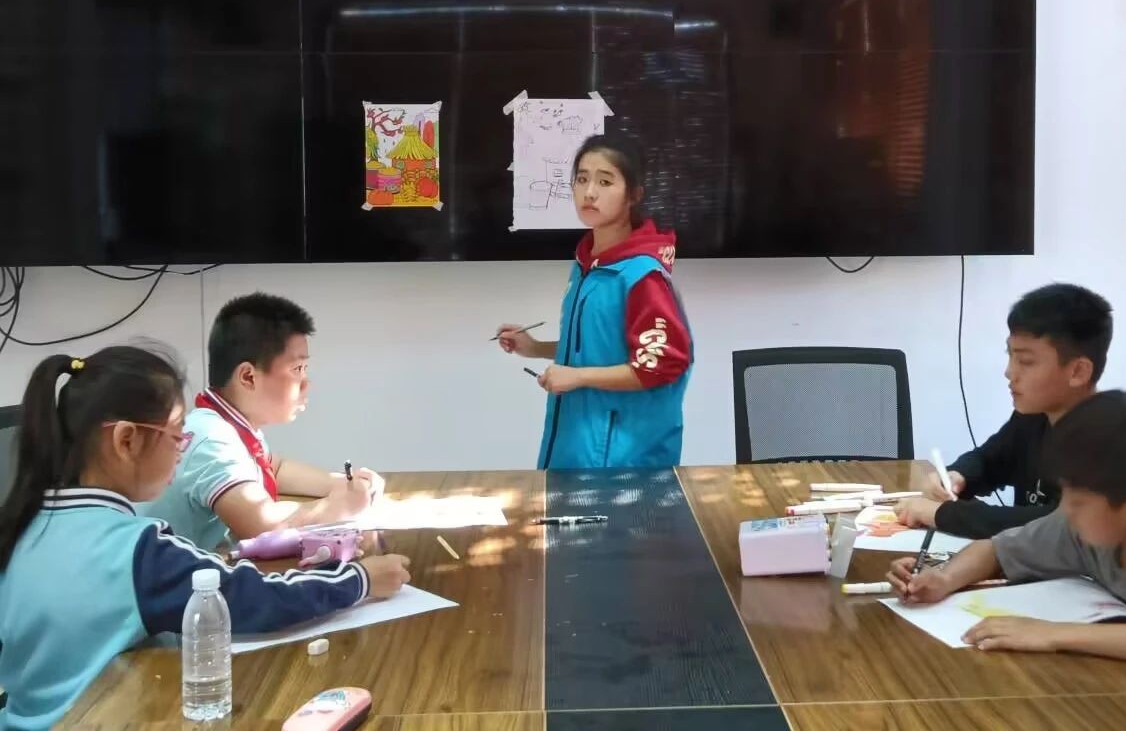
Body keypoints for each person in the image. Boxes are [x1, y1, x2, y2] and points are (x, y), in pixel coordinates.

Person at [0, 346, 411, 728]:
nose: (182, 448)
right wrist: (361, 579)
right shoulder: (136, 550)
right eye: (176, 434)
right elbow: (256, 598)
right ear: (126, 440)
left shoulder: (21, 525)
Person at [887, 391, 1126, 712]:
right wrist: (944, 579)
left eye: (1078, 501)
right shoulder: (1091, 521)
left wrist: (1054, 634)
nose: (1066, 510)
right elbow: (998, 550)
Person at [496, 133, 693, 468]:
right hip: (575, 447)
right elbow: (598, 347)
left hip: (621, 463)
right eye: (582, 179)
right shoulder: (587, 265)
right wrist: (536, 347)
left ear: (634, 194)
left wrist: (578, 377)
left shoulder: (642, 276)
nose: (589, 192)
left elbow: (660, 364)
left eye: (605, 181)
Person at [143, 293, 384, 550]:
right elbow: (262, 527)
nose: (307, 383)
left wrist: (342, 484)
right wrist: (339, 506)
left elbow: (275, 468)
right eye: (297, 369)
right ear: (248, 377)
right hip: (162, 574)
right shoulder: (213, 440)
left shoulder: (225, 423)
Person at [895, 283, 1112, 538]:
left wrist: (940, 514)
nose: (1009, 372)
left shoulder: (1108, 444)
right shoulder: (1034, 417)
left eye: (1026, 361)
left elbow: (1056, 526)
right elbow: (989, 460)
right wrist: (958, 475)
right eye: (1010, 356)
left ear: (1078, 371)